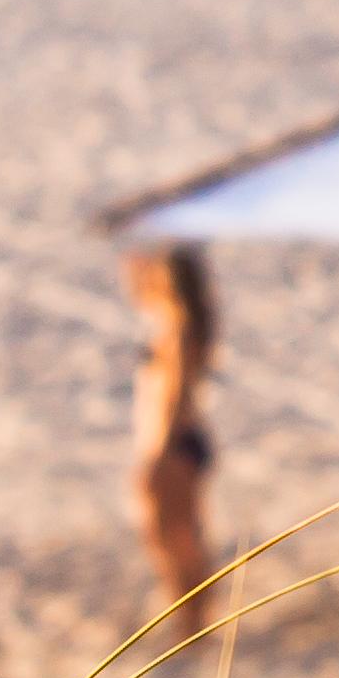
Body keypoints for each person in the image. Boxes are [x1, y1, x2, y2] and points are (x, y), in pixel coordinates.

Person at [126, 245, 218, 627]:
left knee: (174, 537)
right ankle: (191, 618)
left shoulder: (179, 327)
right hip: (175, 439)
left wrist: (161, 451)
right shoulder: (174, 319)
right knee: (178, 533)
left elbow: (176, 391)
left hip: (172, 441)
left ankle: (192, 621)